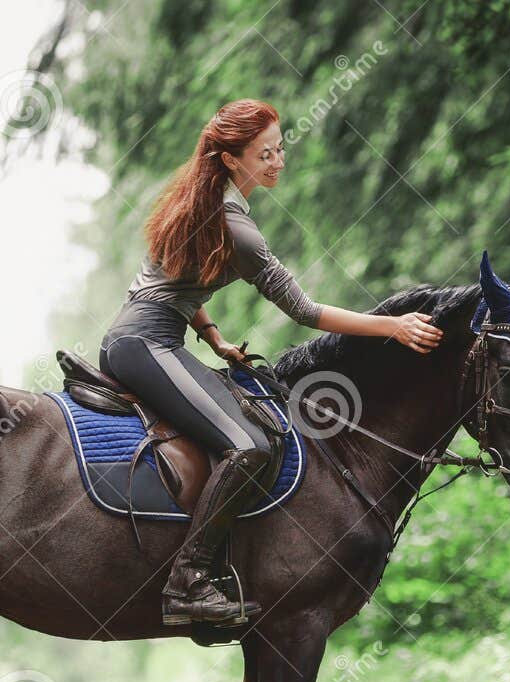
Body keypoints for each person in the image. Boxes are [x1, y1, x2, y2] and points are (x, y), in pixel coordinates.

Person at [99, 98, 444, 626]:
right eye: (265, 154)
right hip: (147, 344)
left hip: (141, 338)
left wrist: (213, 339)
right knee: (251, 444)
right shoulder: (237, 228)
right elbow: (304, 310)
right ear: (232, 159)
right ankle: (186, 583)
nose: (278, 161)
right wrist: (392, 325)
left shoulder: (202, 199)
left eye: (280, 149)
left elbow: (180, 286)